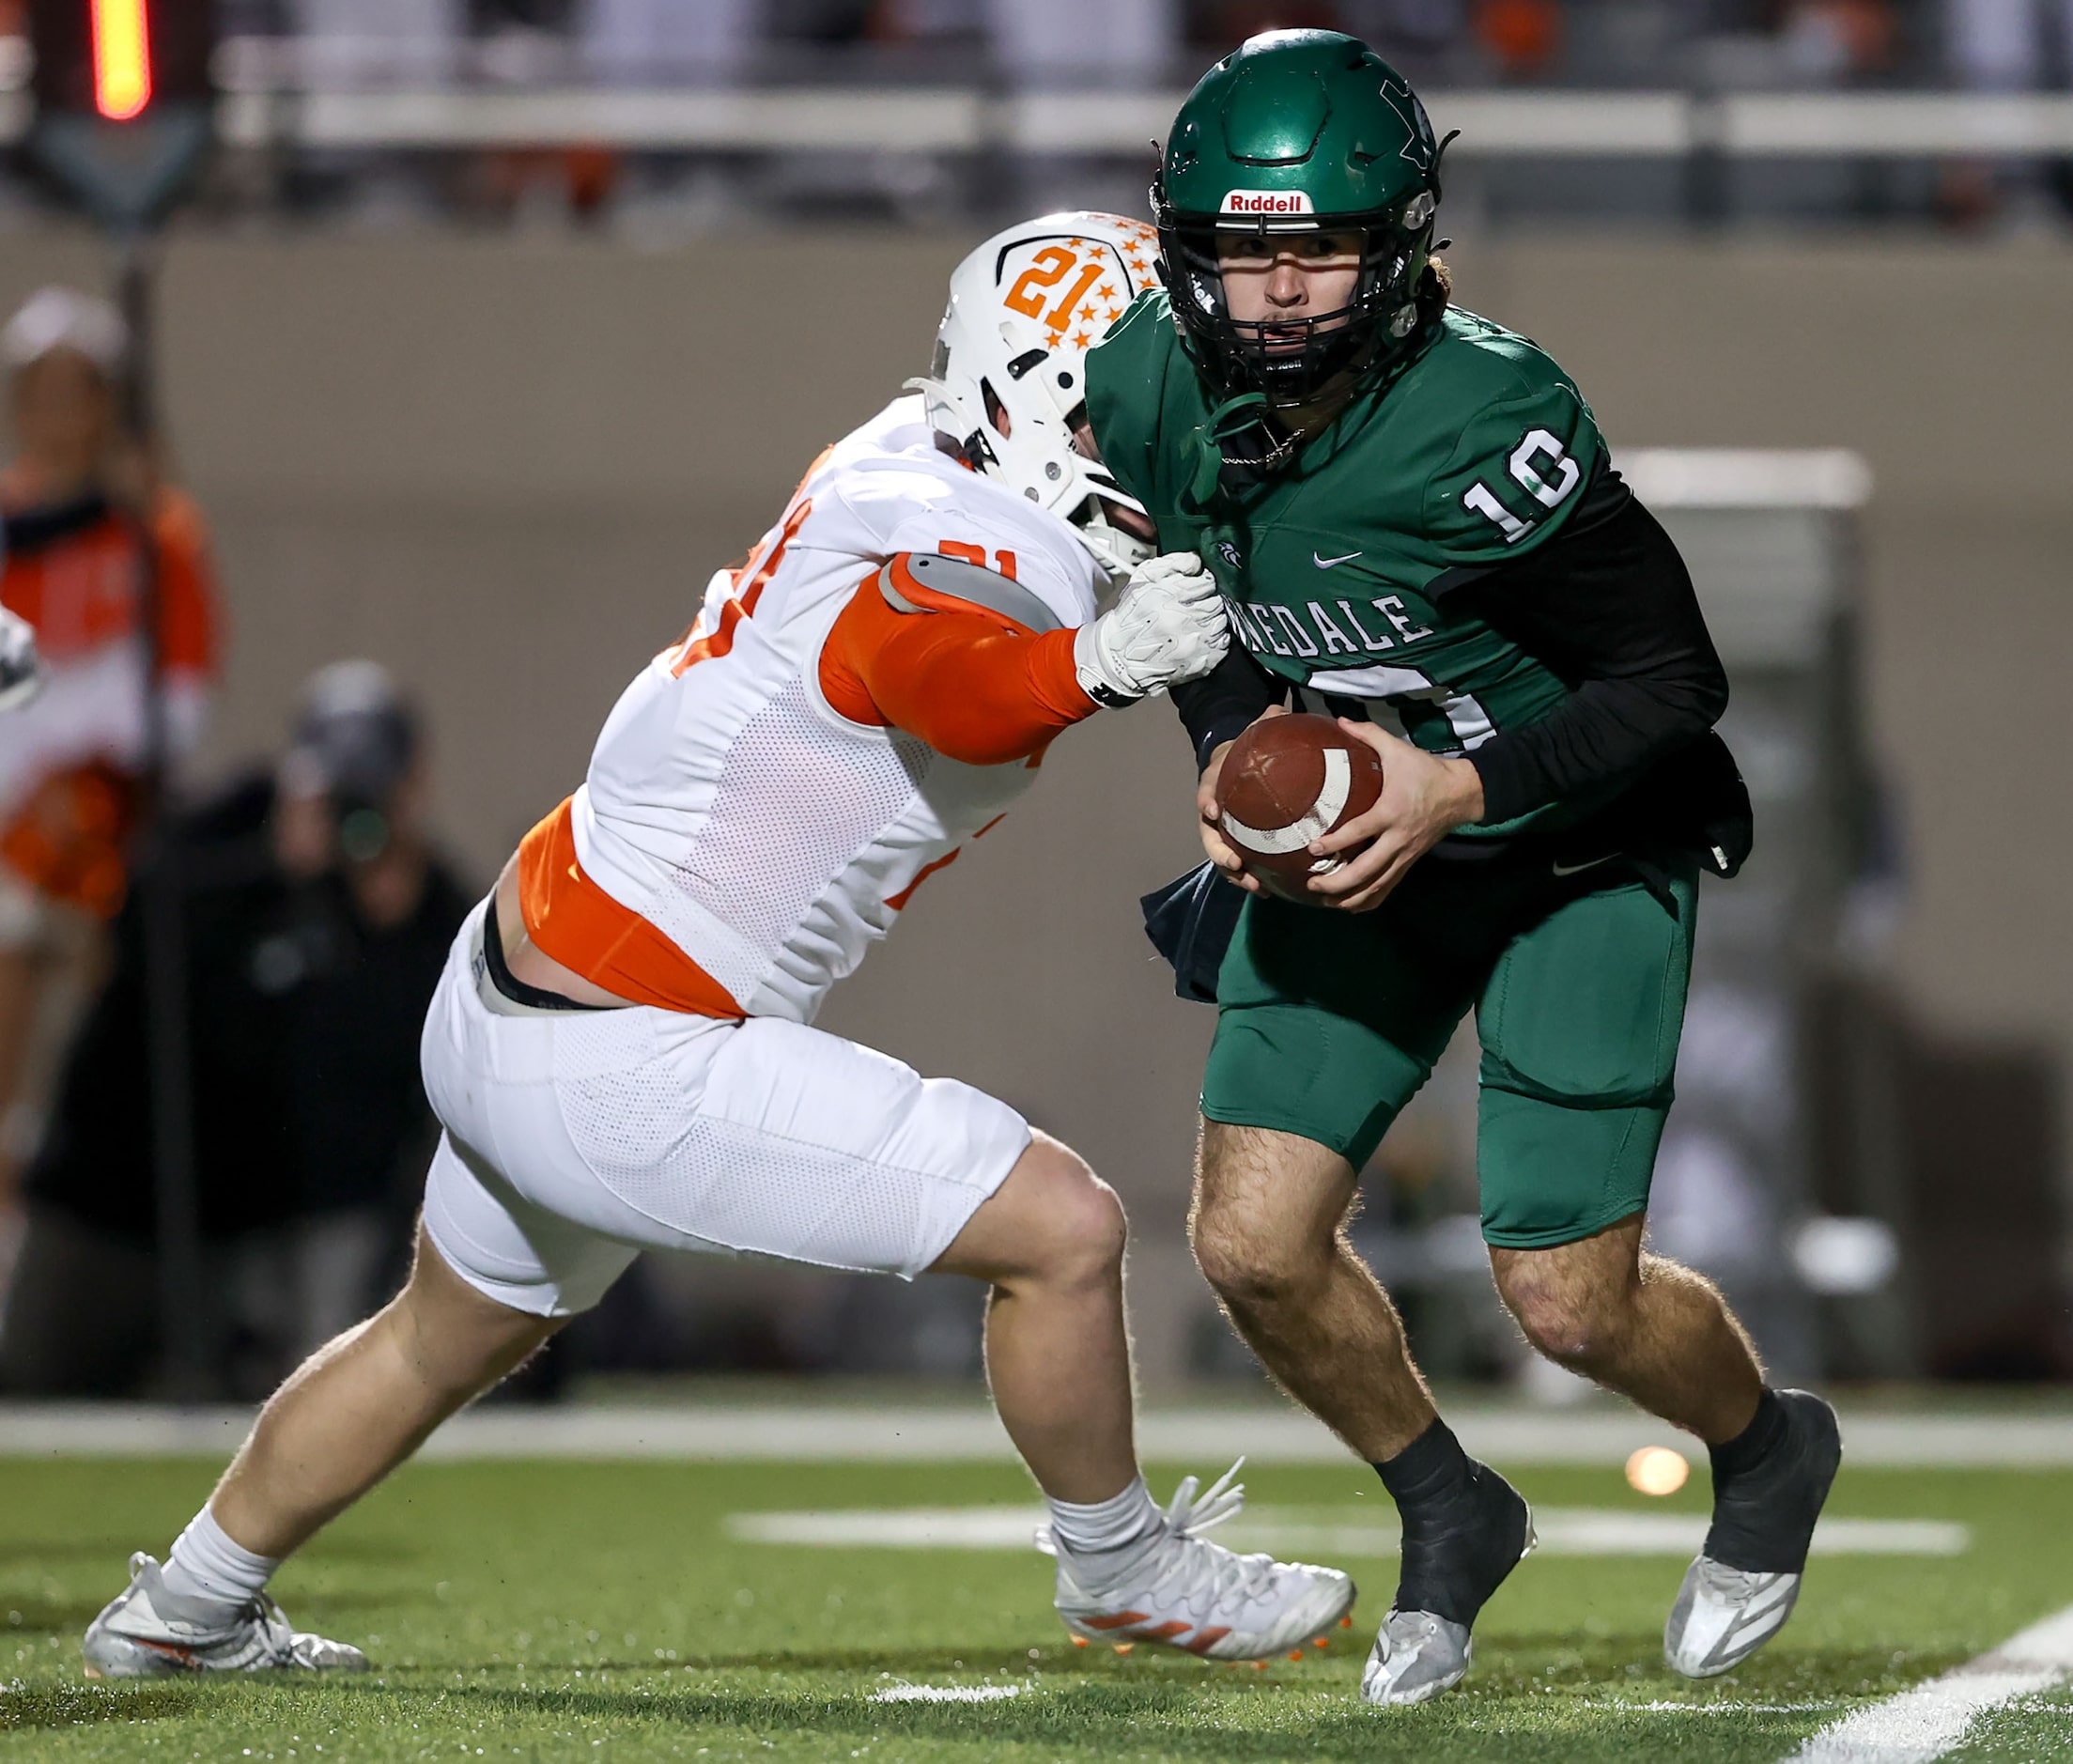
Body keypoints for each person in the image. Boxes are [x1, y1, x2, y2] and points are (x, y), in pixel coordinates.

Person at [79, 210, 1355, 1679]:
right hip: (629, 1049)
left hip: (515, 979)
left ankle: (181, 1607)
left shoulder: (912, 446)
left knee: (442, 1333)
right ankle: (1123, 1570)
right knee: (1062, 1233)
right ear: (1051, 403)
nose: (1194, 405)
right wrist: (1094, 661)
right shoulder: (983, 546)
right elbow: (920, 656)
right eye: (1162, 376)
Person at [1086, 31, 1841, 1706]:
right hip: (1363, 849)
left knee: (1567, 1303)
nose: (1276, 293)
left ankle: (1766, 1444)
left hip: (1569, 840)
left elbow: (1667, 683)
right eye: (1241, 248)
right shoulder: (1141, 382)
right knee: (1253, 1244)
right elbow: (1194, 614)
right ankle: (1449, 1502)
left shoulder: (1487, 412)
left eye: (1317, 248)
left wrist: (1461, 783)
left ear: (1405, 241)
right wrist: (1224, 746)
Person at [0, 663, 472, 1395]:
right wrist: (270, 866)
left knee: (287, 1395)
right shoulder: (229, 830)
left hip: (281, 1216)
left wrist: (390, 914)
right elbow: (133, 934)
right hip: (122, 1190)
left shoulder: (427, 904)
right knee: (38, 1375)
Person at [0, 287, 221, 1210]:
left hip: (105, 835)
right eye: (41, 390)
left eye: (80, 390)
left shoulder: (151, 532)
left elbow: (176, 699)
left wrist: (71, 750)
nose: (60, 413)